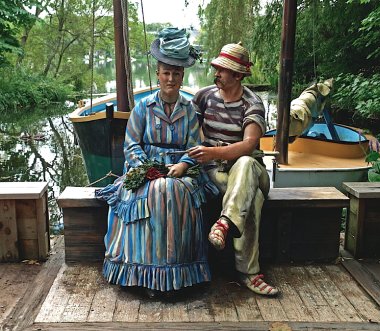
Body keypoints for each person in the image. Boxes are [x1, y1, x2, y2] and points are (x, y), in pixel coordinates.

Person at [96, 28, 217, 296]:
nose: (171, 79)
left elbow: (196, 146)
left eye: (176, 74)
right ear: (158, 74)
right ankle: (146, 276)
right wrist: (147, 169)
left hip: (181, 171)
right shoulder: (143, 108)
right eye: (166, 73)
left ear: (182, 76)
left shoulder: (189, 111)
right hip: (146, 169)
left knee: (174, 192)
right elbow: (131, 146)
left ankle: (176, 276)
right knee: (152, 192)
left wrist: (184, 165)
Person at [188, 42, 279, 296]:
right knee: (252, 198)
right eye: (216, 68)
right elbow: (189, 133)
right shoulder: (203, 96)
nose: (216, 73)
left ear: (238, 75)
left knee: (246, 165)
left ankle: (225, 222)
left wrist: (213, 152)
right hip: (217, 173)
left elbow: (250, 145)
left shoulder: (252, 102)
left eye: (222, 69)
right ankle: (250, 273)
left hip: (250, 170)